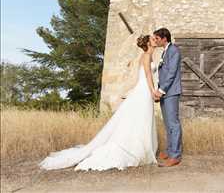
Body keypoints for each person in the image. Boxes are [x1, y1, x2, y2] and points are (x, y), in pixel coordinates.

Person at [38, 35, 159, 171]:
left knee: (140, 119)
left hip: (142, 90)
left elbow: (142, 76)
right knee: (140, 119)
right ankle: (135, 149)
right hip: (144, 91)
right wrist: (153, 91)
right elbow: (148, 76)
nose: (156, 40)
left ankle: (141, 148)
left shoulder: (146, 56)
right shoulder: (147, 56)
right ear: (148, 43)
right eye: (153, 39)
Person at [153, 28, 183, 167]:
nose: (156, 41)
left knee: (173, 124)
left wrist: (161, 90)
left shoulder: (174, 50)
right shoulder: (165, 51)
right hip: (165, 93)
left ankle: (175, 156)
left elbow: (171, 73)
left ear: (164, 38)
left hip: (171, 92)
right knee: (167, 124)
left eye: (157, 38)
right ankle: (170, 150)